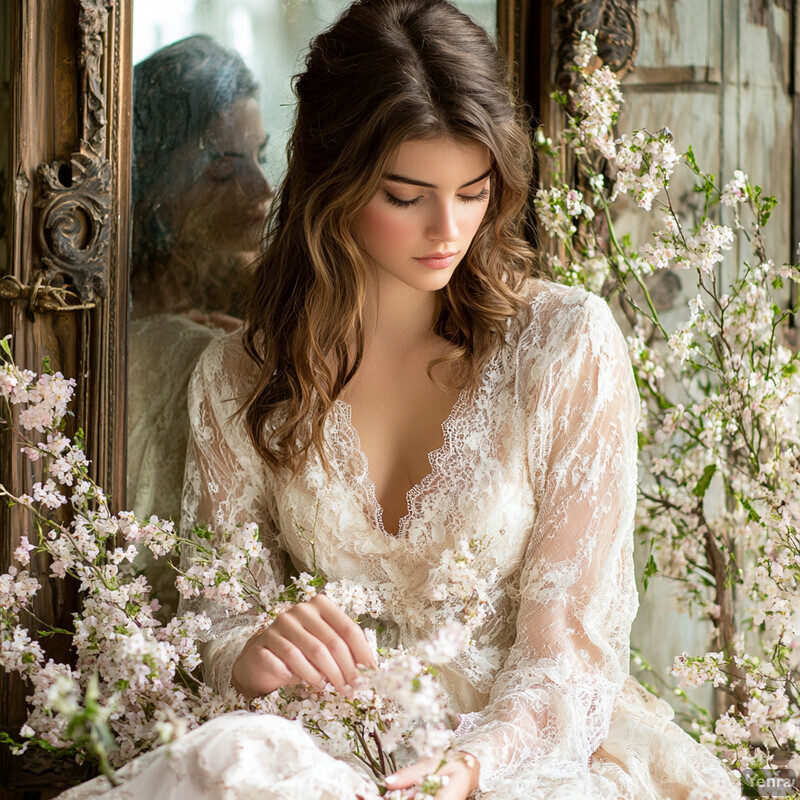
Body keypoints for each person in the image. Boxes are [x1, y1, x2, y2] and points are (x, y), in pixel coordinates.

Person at [65, 1, 740, 797]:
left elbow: (570, 651)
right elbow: (216, 613)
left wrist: (469, 768)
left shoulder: (564, 345)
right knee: (225, 765)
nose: (447, 229)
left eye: (474, 190)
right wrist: (250, 647)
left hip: (524, 749)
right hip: (326, 746)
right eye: (406, 195)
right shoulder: (239, 377)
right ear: (333, 182)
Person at [126, 35, 273, 616]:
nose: (262, 190)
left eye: (262, 156)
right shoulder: (99, 306)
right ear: (152, 183)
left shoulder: (277, 294)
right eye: (221, 173)